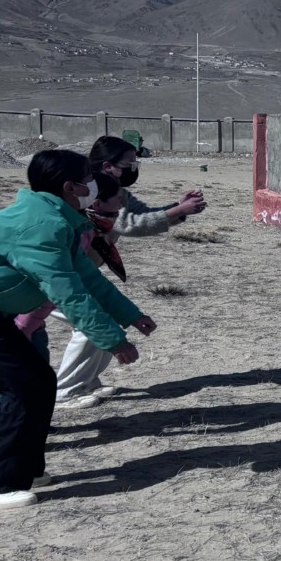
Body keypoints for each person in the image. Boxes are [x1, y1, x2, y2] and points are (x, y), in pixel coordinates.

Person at [0, 150, 153, 510]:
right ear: (70, 187)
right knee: (22, 384)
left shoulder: (60, 218)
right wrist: (112, 340)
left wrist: (131, 314)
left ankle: (25, 470)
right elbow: (67, 291)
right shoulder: (43, 224)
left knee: (37, 382)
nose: (93, 183)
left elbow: (87, 276)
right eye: (87, 177)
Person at [48, 135, 209, 410]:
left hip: (82, 272)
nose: (133, 168)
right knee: (92, 326)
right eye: (128, 163)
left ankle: (86, 381)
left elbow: (143, 215)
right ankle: (65, 390)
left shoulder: (115, 189)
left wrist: (177, 209)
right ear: (108, 165)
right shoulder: (88, 192)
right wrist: (178, 211)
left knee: (105, 320)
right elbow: (127, 223)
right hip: (58, 274)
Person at [0, 173, 126, 454]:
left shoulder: (76, 223)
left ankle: (32, 422)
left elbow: (85, 275)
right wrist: (116, 340)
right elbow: (57, 285)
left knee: (36, 370)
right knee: (11, 375)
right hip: (10, 308)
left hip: (27, 309)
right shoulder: (56, 225)